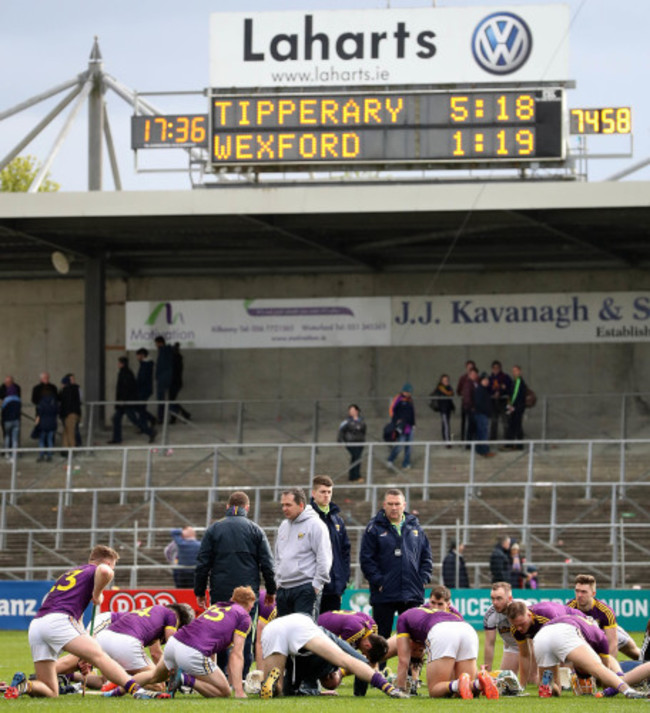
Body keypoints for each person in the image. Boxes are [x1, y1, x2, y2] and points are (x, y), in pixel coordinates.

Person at [4, 545, 168, 699]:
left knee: (51, 690)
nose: (112, 571)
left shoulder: (71, 573)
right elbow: (104, 572)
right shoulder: (97, 569)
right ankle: (137, 690)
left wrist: (83, 648)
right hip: (59, 620)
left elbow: (77, 617)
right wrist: (97, 594)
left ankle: (24, 686)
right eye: (114, 567)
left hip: (37, 625)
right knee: (100, 656)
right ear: (108, 562)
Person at [194, 491, 276, 677]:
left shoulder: (214, 529)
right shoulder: (255, 530)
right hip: (247, 594)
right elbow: (268, 565)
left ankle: (222, 675)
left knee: (221, 633)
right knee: (245, 633)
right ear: (247, 508)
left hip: (221, 592)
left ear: (227, 507)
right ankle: (242, 677)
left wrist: (199, 591)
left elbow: (202, 564)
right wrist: (271, 590)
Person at [132, 586, 256, 698]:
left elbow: (210, 645)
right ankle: (184, 679)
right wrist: (239, 691)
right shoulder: (244, 617)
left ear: (232, 599)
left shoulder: (217, 606)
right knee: (224, 692)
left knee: (154, 676)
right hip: (192, 651)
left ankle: (117, 688)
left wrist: (210, 674)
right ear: (250, 605)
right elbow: (236, 654)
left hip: (174, 643)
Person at [259, 612, 408, 699]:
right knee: (345, 659)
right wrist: (387, 687)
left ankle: (272, 682)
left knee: (280, 689)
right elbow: (350, 660)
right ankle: (388, 688)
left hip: (272, 629)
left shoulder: (366, 625)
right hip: (305, 629)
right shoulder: (344, 633)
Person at [359, 488, 433, 647]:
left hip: (411, 593)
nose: (394, 507)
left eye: (397, 504)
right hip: (384, 594)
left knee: (414, 639)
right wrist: (379, 582)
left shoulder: (416, 528)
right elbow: (366, 560)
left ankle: (410, 673)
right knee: (380, 640)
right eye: (390, 504)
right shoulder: (374, 528)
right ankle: (379, 671)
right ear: (384, 505)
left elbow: (426, 557)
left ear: (404, 505)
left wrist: (422, 579)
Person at [394, 603, 498, 699]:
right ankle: (479, 684)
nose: (419, 650)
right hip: (467, 629)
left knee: (435, 689)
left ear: (410, 641)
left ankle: (458, 684)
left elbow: (403, 661)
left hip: (442, 631)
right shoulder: (427, 613)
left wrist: (400, 689)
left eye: (416, 650)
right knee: (462, 691)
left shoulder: (402, 618)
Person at [532, 614, 644, 698]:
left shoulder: (573, 615)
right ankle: (628, 691)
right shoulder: (599, 635)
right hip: (566, 632)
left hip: (541, 636)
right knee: (598, 667)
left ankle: (548, 683)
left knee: (556, 689)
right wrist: (607, 686)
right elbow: (605, 667)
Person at [274, 486, 332, 621]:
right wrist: (278, 581)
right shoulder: (283, 525)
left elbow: (324, 557)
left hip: (305, 588)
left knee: (304, 637)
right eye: (282, 505)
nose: (284, 509)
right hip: (284, 589)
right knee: (284, 635)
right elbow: (278, 556)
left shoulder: (316, 525)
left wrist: (316, 586)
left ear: (301, 505)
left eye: (288, 505)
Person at [96, 603, 194, 680]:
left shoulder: (155, 613)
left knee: (104, 677)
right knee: (157, 683)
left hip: (104, 637)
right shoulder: (172, 616)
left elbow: (156, 653)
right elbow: (169, 648)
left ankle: (119, 681)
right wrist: (179, 673)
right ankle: (122, 683)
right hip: (125, 640)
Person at [506, 599, 583, 687]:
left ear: (529, 615)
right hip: (560, 631)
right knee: (546, 682)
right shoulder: (516, 629)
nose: (519, 628)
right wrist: (522, 685)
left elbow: (560, 646)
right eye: (516, 625)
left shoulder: (546, 618)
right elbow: (524, 655)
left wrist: (558, 679)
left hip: (577, 621)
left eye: (522, 624)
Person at [566, 573, 640, 660]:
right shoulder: (569, 609)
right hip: (587, 636)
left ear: (593, 594)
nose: (579, 595)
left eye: (583, 592)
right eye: (577, 591)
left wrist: (608, 669)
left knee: (635, 653)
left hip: (608, 632)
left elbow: (612, 644)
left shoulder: (605, 611)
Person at [310, 475, 350, 614]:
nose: (326, 495)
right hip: (312, 586)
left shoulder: (337, 520)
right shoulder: (306, 518)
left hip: (334, 587)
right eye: (322, 492)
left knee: (330, 632)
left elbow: (345, 551)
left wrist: (343, 580)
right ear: (313, 493)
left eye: (329, 492)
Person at [108, 357, 156, 445]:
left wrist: (122, 401)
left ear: (122, 364)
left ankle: (150, 432)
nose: (118, 365)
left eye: (119, 363)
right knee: (116, 419)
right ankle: (117, 438)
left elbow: (125, 389)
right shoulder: (125, 373)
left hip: (126, 403)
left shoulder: (125, 374)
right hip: (124, 402)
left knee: (134, 420)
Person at [483, 582, 520, 673]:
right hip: (513, 647)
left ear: (509, 598)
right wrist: (487, 672)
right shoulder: (490, 615)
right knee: (504, 681)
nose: (495, 602)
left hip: (532, 646)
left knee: (532, 680)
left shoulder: (523, 609)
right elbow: (489, 644)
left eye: (499, 598)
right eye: (492, 598)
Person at [386, 383, 416, 471]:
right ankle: (390, 459)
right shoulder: (398, 398)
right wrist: (395, 421)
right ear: (403, 391)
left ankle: (406, 463)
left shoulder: (410, 400)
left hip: (409, 426)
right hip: (401, 426)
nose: (408, 393)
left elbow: (412, 413)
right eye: (407, 392)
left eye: (410, 392)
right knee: (400, 445)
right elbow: (391, 410)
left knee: (409, 446)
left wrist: (414, 424)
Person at [337, 404, 366, 482]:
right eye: (350, 411)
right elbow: (341, 431)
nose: (351, 412)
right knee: (356, 457)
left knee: (356, 458)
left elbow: (363, 431)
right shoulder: (346, 421)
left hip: (360, 442)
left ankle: (352, 476)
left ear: (357, 411)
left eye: (353, 410)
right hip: (350, 442)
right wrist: (340, 441)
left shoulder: (361, 421)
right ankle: (356, 475)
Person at [504, 364, 527, 449]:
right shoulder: (514, 381)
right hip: (514, 406)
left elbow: (515, 395)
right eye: (513, 371)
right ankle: (511, 443)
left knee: (517, 425)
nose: (514, 372)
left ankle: (518, 444)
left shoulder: (519, 382)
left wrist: (511, 405)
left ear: (520, 371)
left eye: (516, 371)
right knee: (512, 425)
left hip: (517, 407)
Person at [488, 360, 512, 442]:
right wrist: (493, 394)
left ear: (500, 368)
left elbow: (509, 388)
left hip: (503, 402)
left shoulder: (505, 377)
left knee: (505, 420)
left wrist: (501, 392)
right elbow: (488, 389)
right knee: (494, 421)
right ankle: (493, 438)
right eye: (494, 368)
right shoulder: (490, 379)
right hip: (493, 402)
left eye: (497, 368)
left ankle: (507, 438)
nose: (496, 369)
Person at [58, 373, 81, 454]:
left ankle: (71, 449)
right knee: (66, 431)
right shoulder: (75, 389)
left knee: (70, 432)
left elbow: (64, 402)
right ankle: (65, 448)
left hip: (69, 414)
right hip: (72, 413)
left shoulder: (67, 391)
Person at [169, 342, 191, 424]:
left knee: (170, 401)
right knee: (172, 401)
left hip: (174, 382)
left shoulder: (174, 359)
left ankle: (180, 415)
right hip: (176, 382)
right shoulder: (178, 358)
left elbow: (173, 372)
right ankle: (183, 414)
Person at [429, 374, 455, 444]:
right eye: (444, 380)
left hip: (448, 408)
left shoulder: (449, 387)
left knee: (446, 423)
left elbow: (452, 394)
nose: (446, 381)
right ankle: (447, 440)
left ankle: (445, 438)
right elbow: (433, 395)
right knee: (446, 424)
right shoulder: (439, 388)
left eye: (447, 380)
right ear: (441, 381)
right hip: (443, 409)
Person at [135, 348, 157, 430]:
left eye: (138, 355)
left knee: (141, 408)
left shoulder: (145, 364)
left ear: (142, 355)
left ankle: (144, 426)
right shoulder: (145, 364)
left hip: (144, 390)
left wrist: (136, 386)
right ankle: (149, 420)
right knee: (141, 408)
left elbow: (142, 378)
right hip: (145, 389)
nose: (137, 357)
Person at [35, 387, 58, 462]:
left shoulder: (41, 402)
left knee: (41, 440)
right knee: (50, 440)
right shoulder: (54, 402)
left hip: (43, 423)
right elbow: (57, 411)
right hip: (52, 423)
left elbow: (39, 413)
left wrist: (36, 422)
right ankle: (49, 455)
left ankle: (41, 455)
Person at [154, 336, 173, 424]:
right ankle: (162, 417)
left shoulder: (163, 351)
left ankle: (161, 418)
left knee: (161, 399)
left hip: (163, 378)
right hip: (165, 377)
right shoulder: (167, 351)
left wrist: (158, 376)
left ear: (159, 343)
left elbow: (162, 366)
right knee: (164, 399)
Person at [474, 372, 494, 456]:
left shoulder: (484, 389)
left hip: (483, 414)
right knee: (483, 432)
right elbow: (479, 403)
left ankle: (480, 449)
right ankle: (484, 450)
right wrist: (486, 411)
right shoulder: (480, 390)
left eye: (487, 380)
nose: (487, 381)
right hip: (482, 414)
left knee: (481, 432)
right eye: (485, 380)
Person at [456, 361, 476, 442]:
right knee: (464, 422)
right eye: (469, 367)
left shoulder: (477, 378)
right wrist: (463, 393)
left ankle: (472, 439)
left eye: (472, 367)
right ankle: (463, 439)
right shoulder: (463, 378)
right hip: (465, 404)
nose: (470, 369)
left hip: (474, 404)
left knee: (473, 422)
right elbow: (458, 390)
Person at [1, 382, 21, 460]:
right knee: (15, 438)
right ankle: (14, 454)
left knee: (7, 437)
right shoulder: (18, 400)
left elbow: (2, 408)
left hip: (7, 420)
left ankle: (7, 453)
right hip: (16, 420)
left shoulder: (6, 400)